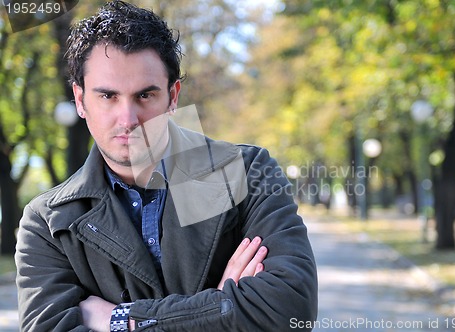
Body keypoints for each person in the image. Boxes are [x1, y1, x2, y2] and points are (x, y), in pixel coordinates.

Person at [15, 1, 318, 331]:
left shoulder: (247, 171)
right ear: (79, 99)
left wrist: (120, 320)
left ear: (173, 97)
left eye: (145, 96)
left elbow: (289, 307)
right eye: (107, 96)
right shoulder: (47, 221)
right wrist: (220, 303)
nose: (128, 119)